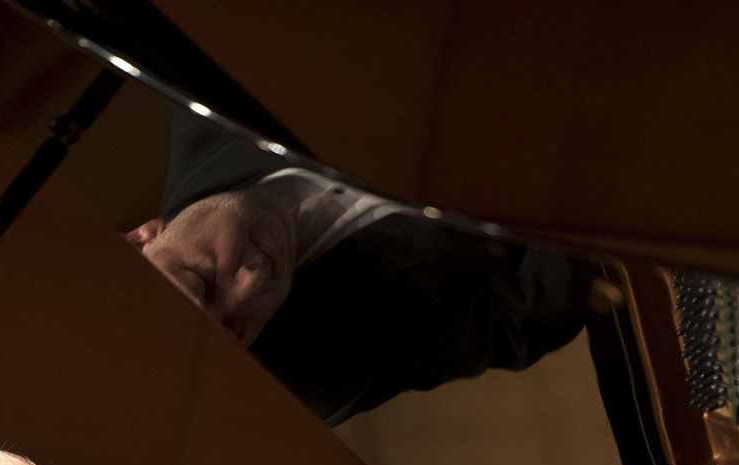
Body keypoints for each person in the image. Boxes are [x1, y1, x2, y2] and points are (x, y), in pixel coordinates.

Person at [126, 107, 592, 425]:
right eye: (235, 330)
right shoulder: (324, 375)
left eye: (203, 282)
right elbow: (526, 315)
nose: (251, 285)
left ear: (144, 238)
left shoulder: (209, 78)